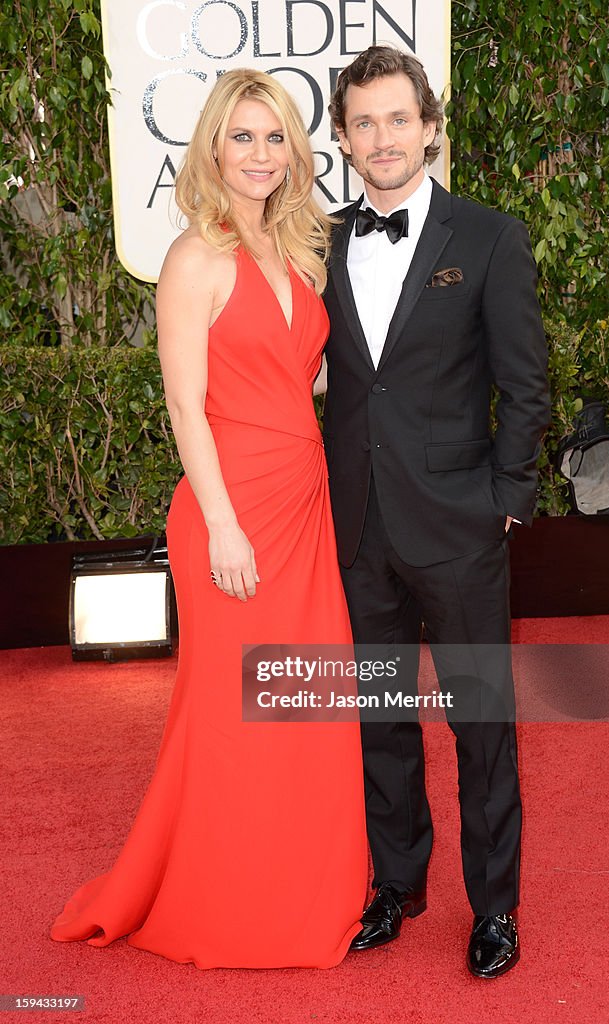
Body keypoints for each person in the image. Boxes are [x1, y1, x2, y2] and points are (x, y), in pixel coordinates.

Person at [50, 69, 368, 969]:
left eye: (276, 139)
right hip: (234, 511)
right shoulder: (193, 258)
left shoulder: (295, 251)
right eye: (244, 138)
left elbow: (301, 378)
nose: (261, 155)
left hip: (304, 502)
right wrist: (224, 525)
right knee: (236, 713)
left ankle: (305, 887)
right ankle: (228, 904)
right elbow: (187, 407)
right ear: (213, 149)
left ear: (294, 152)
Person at [321, 46, 550, 978]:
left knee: (482, 725)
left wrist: (506, 498)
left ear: (430, 128)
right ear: (341, 138)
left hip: (461, 525)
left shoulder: (490, 236)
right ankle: (397, 883)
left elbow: (525, 383)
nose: (382, 138)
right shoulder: (318, 239)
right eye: (364, 122)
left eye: (398, 119)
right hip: (357, 525)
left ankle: (494, 908)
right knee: (380, 718)